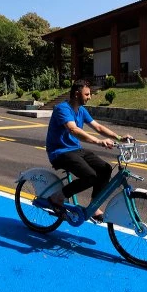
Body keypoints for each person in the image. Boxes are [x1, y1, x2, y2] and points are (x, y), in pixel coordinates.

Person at [45, 79, 133, 222]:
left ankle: (94, 206)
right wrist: (98, 141)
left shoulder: (81, 110)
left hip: (75, 150)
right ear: (76, 94)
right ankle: (57, 198)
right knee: (90, 176)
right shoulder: (62, 109)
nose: (90, 97)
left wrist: (119, 137)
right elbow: (73, 129)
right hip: (59, 152)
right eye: (87, 94)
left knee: (105, 169)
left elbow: (98, 127)